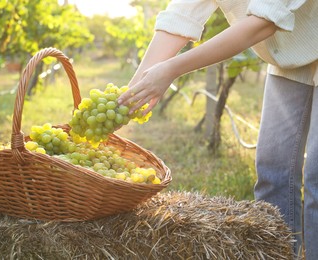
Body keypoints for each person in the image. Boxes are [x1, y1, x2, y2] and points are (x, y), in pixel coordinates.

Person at [118, 0, 318, 259]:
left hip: (290, 34)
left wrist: (171, 70)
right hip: (292, 52)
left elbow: (263, 23)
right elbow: (179, 18)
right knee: (273, 172)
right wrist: (133, 92)